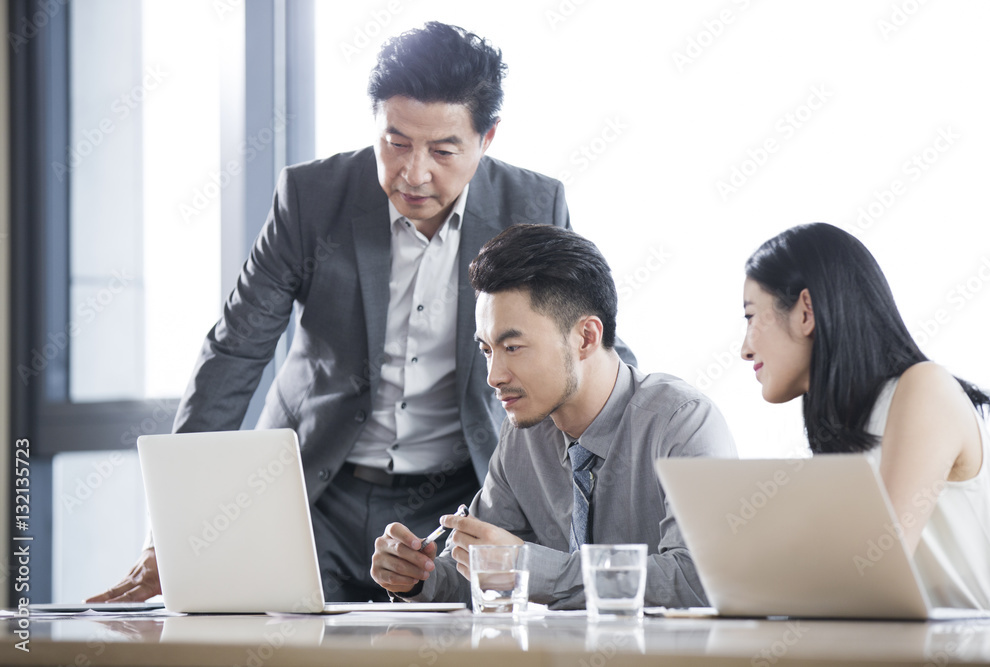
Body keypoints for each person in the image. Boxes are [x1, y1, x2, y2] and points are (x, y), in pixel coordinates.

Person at [89, 22, 634, 604]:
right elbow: (236, 351)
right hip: (313, 491)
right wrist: (176, 528)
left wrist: (639, 444)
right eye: (395, 142)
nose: (415, 172)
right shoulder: (311, 198)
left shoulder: (531, 205)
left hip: (455, 496)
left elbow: (584, 346)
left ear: (487, 138)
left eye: (444, 150)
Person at [371, 224, 736, 609]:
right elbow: (482, 574)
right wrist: (417, 578)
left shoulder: (682, 422)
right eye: (487, 350)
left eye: (512, 347)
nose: (494, 376)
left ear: (586, 338)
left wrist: (533, 567)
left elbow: (699, 580)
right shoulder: (524, 433)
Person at [740, 222, 990, 609]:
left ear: (805, 312)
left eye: (750, 316)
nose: (745, 350)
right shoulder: (847, 424)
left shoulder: (924, 388)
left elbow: (873, 571)